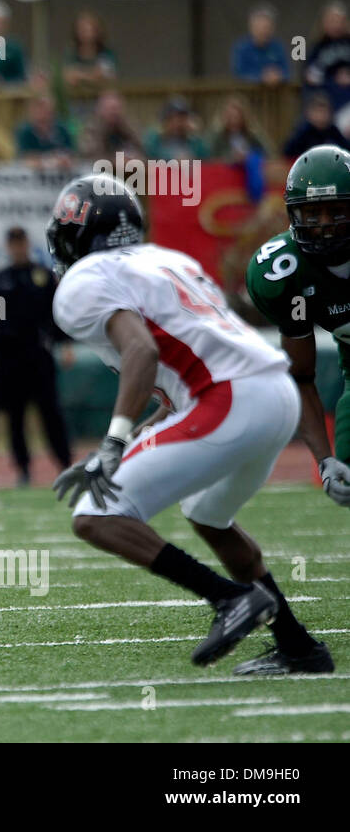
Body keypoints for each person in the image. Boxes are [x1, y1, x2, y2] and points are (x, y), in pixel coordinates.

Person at [47, 173, 329, 674]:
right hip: (274, 395)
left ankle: (228, 599)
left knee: (95, 514)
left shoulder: (83, 281)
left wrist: (112, 443)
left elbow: (142, 351)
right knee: (207, 514)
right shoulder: (169, 260)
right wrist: (124, 440)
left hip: (231, 400)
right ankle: (298, 646)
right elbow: (179, 389)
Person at [246, 146, 350, 670]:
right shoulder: (285, 272)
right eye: (313, 213)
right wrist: (324, 458)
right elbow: (303, 375)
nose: (326, 225)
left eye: (337, 211)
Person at [0, 228, 73, 487]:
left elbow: (56, 313)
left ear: (27, 244)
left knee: (50, 412)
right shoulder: (1, 281)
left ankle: (64, 463)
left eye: (21, 243)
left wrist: (65, 343)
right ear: (8, 247)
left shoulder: (42, 277)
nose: (18, 248)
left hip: (39, 353)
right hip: (9, 357)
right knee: (15, 416)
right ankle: (23, 468)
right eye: (13, 244)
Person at [78, 90, 143, 166]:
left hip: (129, 172)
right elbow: (88, 156)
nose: (114, 112)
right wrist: (115, 161)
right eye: (110, 108)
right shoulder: (91, 130)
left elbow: (143, 151)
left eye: (117, 108)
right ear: (100, 110)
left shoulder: (129, 128)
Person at [231, 4, 289, 86]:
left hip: (276, 93)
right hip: (247, 93)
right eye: (260, 27)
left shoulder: (278, 47)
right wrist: (261, 77)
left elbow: (287, 71)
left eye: (267, 27)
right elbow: (238, 73)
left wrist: (279, 76)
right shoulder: (241, 48)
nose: (263, 31)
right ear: (252, 27)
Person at [15, 93, 73, 170]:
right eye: (40, 108)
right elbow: (25, 159)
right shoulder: (25, 132)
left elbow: (71, 156)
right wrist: (52, 162)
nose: (44, 112)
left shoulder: (62, 130)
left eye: (47, 109)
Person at [283, 91, 350, 158]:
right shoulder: (304, 132)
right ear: (310, 114)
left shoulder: (333, 130)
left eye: (324, 112)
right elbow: (287, 152)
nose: (321, 117)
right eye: (318, 112)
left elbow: (346, 150)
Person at [62, 12, 117, 91]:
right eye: (83, 29)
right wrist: (91, 75)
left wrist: (79, 74)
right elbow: (68, 77)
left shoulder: (106, 53)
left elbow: (107, 77)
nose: (87, 33)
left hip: (101, 97)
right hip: (76, 99)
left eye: (90, 29)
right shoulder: (71, 53)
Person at [304, 0, 350, 90]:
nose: (334, 24)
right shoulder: (317, 46)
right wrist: (332, 80)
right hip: (326, 97)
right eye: (330, 20)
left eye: (337, 20)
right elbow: (310, 76)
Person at [144, 96, 208, 161]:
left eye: (181, 119)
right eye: (171, 119)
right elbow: (148, 159)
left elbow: (208, 159)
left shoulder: (195, 143)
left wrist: (198, 132)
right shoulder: (155, 143)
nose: (177, 123)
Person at [208, 95, 270, 162]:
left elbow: (267, 155)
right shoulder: (217, 138)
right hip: (225, 170)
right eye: (229, 117)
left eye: (236, 117)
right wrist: (230, 158)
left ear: (243, 117)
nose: (233, 121)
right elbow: (210, 159)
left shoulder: (253, 136)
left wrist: (248, 156)